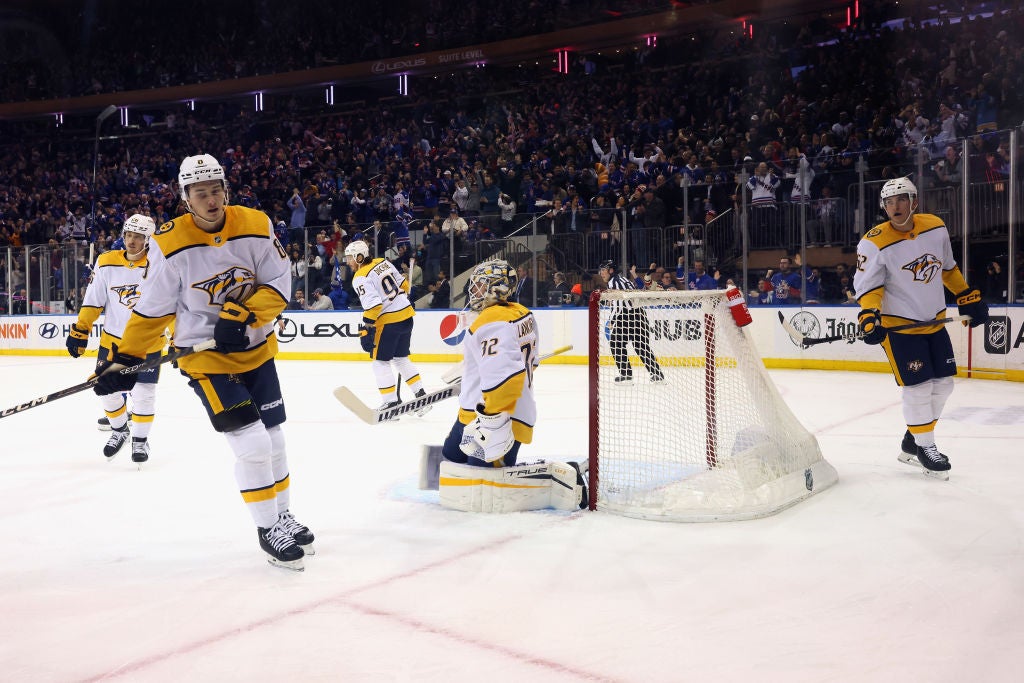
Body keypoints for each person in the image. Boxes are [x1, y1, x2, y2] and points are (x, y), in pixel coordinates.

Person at [90, 154, 314, 571]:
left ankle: (283, 514)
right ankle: (268, 528)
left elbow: (279, 284)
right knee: (252, 443)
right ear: (185, 198)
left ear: (225, 191)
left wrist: (245, 314)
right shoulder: (169, 242)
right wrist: (125, 360)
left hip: (257, 349)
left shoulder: (256, 224)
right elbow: (153, 310)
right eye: (200, 193)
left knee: (276, 440)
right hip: (205, 357)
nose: (210, 200)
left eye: (215, 191)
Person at [854, 177, 988, 479]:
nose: (895, 206)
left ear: (913, 201)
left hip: (934, 321)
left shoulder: (935, 227)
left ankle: (914, 440)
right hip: (900, 327)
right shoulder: (873, 242)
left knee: (944, 385)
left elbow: (947, 268)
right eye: (889, 202)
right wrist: (868, 315)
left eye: (901, 199)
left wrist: (965, 294)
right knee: (918, 388)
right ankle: (927, 448)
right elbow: (869, 287)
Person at [433, 259, 587, 512]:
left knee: (484, 485)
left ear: (498, 288)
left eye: (481, 286)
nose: (475, 291)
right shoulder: (521, 313)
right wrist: (474, 378)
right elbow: (526, 363)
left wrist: (493, 420)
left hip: (496, 416)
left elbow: (505, 375)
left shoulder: (492, 320)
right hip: (473, 411)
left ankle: (563, 475)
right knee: (452, 460)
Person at [66, 214, 164, 463]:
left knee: (144, 394)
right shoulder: (107, 261)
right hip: (113, 343)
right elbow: (93, 299)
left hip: (148, 343)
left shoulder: (160, 265)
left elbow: (170, 304)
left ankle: (140, 441)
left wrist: (178, 337)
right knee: (106, 391)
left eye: (139, 236)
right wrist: (81, 329)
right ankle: (120, 430)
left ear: (149, 239)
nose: (131, 240)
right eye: (129, 234)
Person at [344, 240, 430, 415]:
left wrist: (367, 328)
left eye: (350, 258)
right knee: (401, 358)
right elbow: (404, 285)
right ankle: (421, 396)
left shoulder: (360, 276)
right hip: (406, 316)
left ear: (359, 257)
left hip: (389, 322)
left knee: (380, 362)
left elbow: (374, 305)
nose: (348, 262)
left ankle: (391, 403)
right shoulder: (383, 262)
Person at [598, 260, 664, 383]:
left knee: (615, 343)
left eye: (603, 270)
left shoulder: (614, 282)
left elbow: (619, 305)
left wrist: (611, 320)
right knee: (641, 346)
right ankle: (657, 375)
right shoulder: (624, 280)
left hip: (627, 317)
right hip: (639, 315)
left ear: (611, 270)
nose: (601, 273)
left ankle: (626, 375)